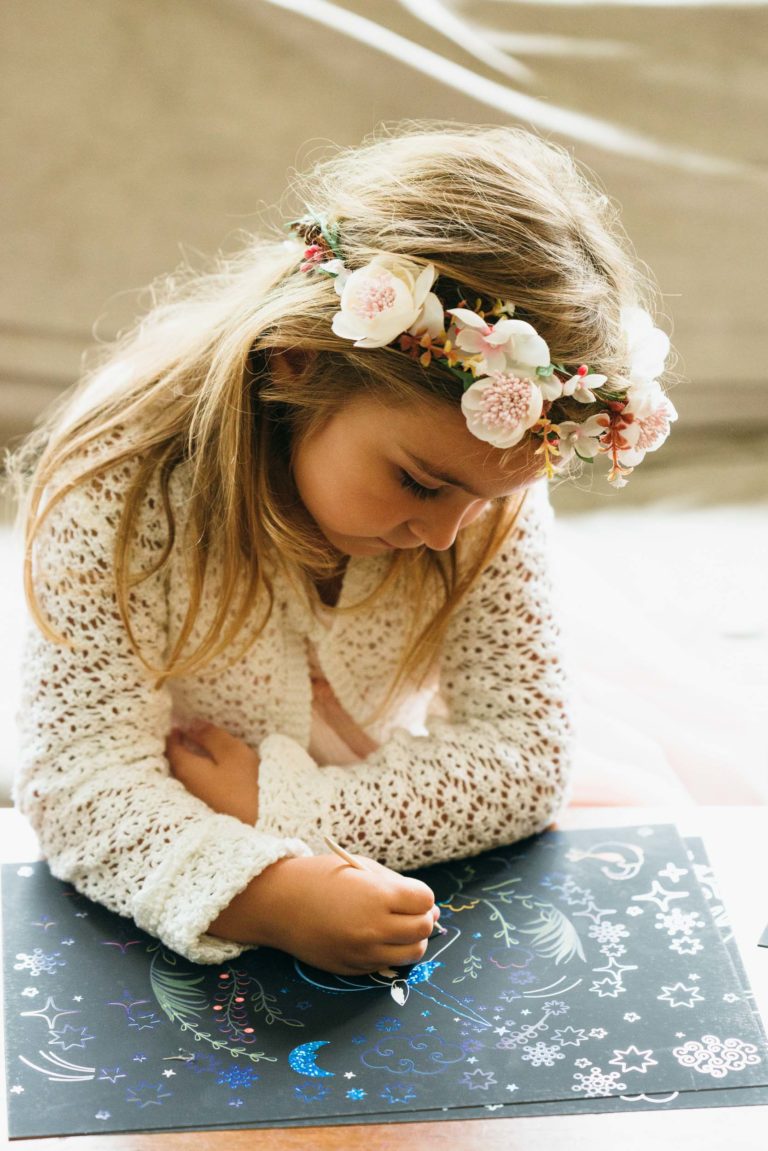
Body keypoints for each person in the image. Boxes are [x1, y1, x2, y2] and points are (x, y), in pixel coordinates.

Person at [11, 124, 674, 976]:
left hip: (356, 802)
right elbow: (81, 781)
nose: (444, 535)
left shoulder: (483, 463)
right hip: (170, 848)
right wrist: (276, 896)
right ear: (295, 362)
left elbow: (527, 756)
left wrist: (281, 804)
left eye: (490, 501)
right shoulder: (116, 484)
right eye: (420, 485)